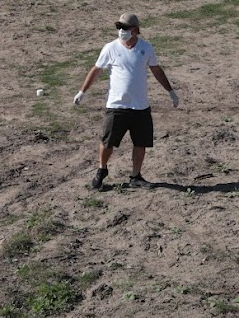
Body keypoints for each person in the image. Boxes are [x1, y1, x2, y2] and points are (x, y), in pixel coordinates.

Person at [72, 12, 178, 190]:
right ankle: (101, 169)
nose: (121, 31)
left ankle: (136, 176)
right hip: (117, 106)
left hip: (140, 106)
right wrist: (82, 91)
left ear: (135, 30)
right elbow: (96, 70)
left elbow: (156, 70)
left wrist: (171, 91)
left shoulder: (146, 48)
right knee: (107, 142)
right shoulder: (110, 48)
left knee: (140, 143)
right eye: (119, 27)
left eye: (125, 28)